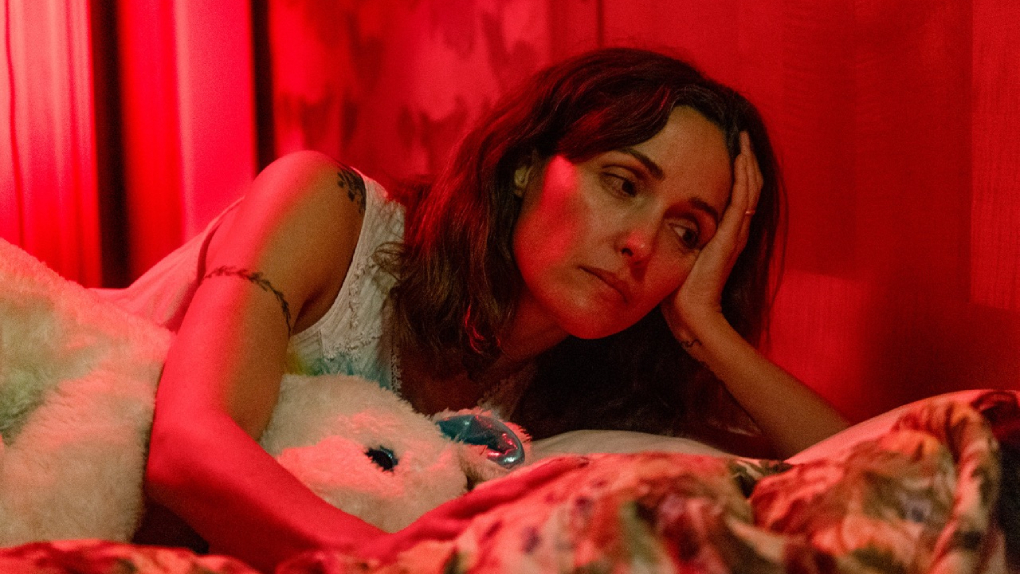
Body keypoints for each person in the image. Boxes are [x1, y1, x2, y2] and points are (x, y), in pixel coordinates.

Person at [120, 47, 849, 571]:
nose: (641, 244)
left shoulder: (586, 394)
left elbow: (859, 473)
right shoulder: (324, 208)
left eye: (687, 231)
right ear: (527, 165)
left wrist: (705, 328)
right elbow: (187, 448)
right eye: (624, 184)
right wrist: (403, 562)